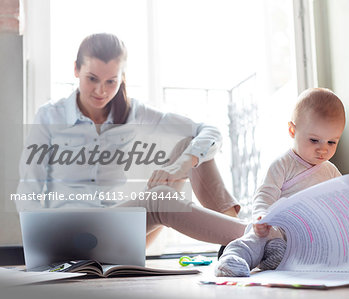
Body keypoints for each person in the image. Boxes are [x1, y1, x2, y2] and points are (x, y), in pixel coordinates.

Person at [15, 33, 246, 247]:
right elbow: (28, 192)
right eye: (92, 79)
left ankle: (241, 243)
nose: (100, 91)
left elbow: (209, 131)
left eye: (110, 82)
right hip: (71, 237)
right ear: (76, 70)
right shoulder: (49, 116)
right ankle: (255, 236)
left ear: (122, 78)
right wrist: (43, 248)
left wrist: (183, 164)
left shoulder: (133, 112)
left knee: (190, 145)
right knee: (159, 199)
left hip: (119, 230)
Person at [215, 87, 346, 277]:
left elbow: (343, 203)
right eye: (314, 140)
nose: (323, 150)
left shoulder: (331, 171)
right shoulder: (283, 164)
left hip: (305, 239)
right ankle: (234, 258)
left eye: (331, 142)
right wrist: (261, 216)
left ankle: (278, 257)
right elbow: (265, 194)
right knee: (257, 238)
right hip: (275, 228)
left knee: (328, 247)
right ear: (293, 130)